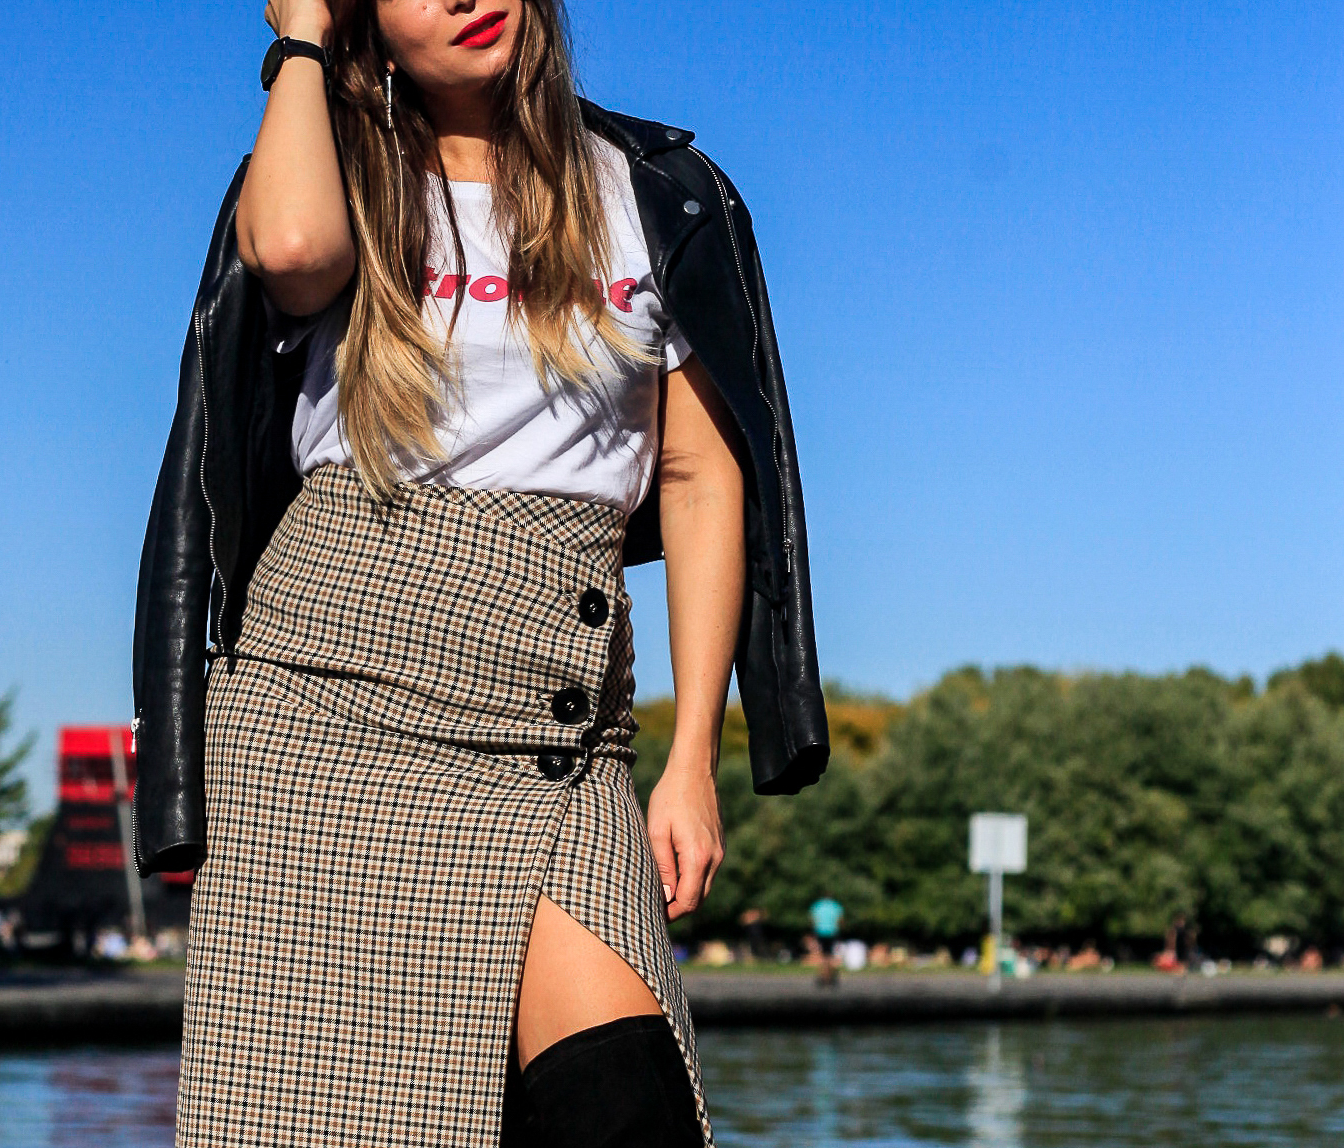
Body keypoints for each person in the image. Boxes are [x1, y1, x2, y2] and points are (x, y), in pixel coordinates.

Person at [130, 2, 827, 1145]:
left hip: (558, 725)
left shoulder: (657, 190)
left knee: (627, 1111)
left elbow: (702, 475)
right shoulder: (332, 176)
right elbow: (291, 255)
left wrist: (692, 753)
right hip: (322, 716)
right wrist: (301, 37)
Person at [809, 893, 843, 986]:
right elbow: (840, 920)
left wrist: (814, 931)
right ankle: (829, 976)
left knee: (823, 956)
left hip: (820, 932)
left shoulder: (817, 905)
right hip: (832, 932)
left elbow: (813, 919)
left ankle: (824, 976)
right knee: (830, 955)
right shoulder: (835, 905)